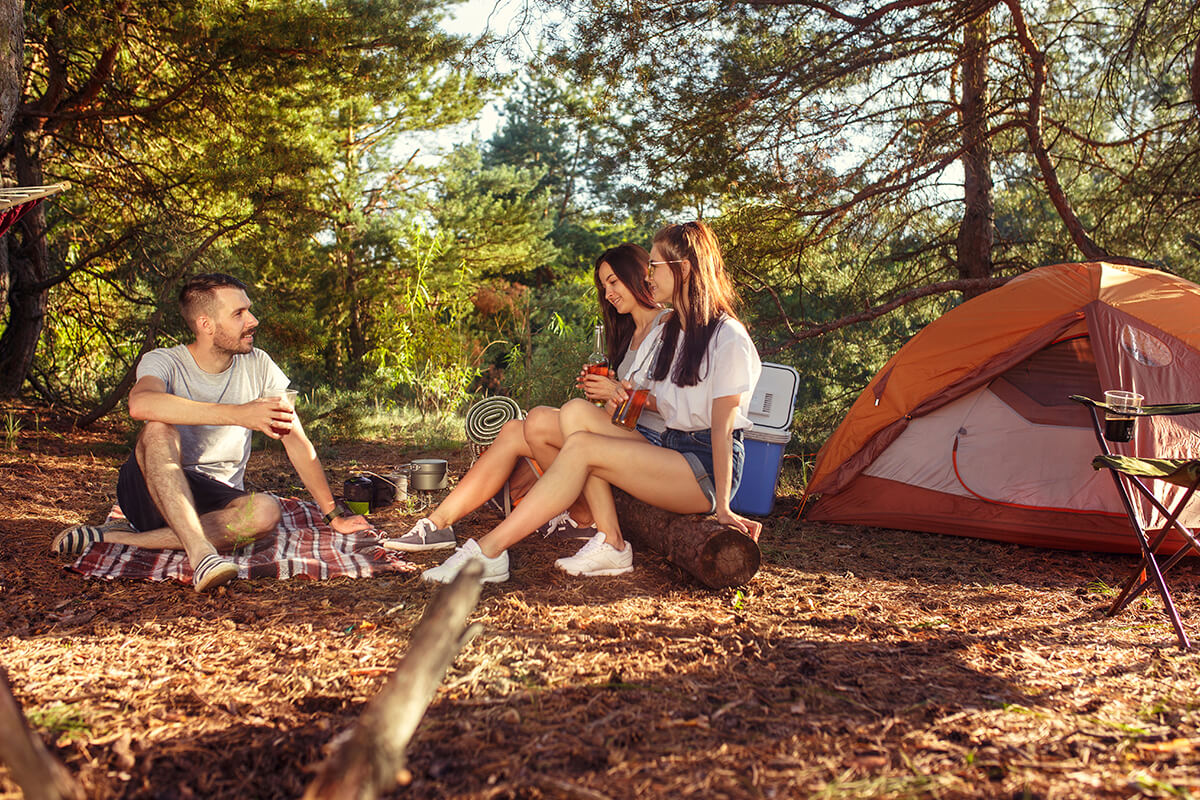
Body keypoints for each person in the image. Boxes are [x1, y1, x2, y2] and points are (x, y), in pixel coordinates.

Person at [422, 220, 761, 584]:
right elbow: (665, 405)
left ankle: (489, 551)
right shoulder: (675, 332)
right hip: (668, 446)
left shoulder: (727, 336)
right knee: (577, 418)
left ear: (685, 269)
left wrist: (723, 506)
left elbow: (723, 428)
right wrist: (620, 396)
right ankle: (610, 542)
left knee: (583, 447)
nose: (649, 276)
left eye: (655, 266)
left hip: (702, 467)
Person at [51, 273, 370, 592]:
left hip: (215, 499)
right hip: (150, 488)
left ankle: (118, 537)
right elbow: (141, 403)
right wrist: (239, 414)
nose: (253, 320)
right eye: (239, 314)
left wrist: (333, 515)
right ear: (206, 324)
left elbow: (296, 441)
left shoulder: (259, 365)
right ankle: (202, 554)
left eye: (249, 310)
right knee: (157, 428)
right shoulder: (164, 361)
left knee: (266, 511)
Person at [387, 243, 669, 551]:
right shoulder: (628, 335)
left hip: (650, 445)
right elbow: (627, 397)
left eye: (613, 281)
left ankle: (583, 516)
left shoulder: (665, 325)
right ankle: (437, 525)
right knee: (512, 431)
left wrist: (616, 392)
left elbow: (670, 400)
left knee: (536, 421)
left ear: (638, 274)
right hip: (621, 432)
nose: (608, 292)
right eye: (603, 286)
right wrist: (607, 391)